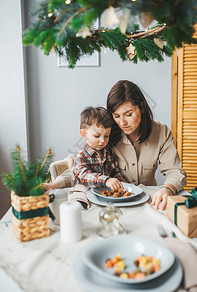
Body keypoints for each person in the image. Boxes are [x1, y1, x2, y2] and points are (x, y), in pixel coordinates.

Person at [106, 80, 187, 210]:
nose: (122, 123)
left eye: (129, 114)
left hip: (149, 202)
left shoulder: (161, 132)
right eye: (116, 116)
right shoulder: (106, 134)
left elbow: (175, 170)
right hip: (114, 204)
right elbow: (84, 161)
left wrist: (168, 188)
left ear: (142, 107)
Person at [73, 106, 125, 190]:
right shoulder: (81, 155)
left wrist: (121, 182)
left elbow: (115, 171)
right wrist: (106, 180)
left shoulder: (109, 152)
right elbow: (84, 175)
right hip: (84, 192)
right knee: (79, 198)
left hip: (103, 194)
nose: (102, 141)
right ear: (83, 134)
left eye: (106, 136)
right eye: (97, 136)